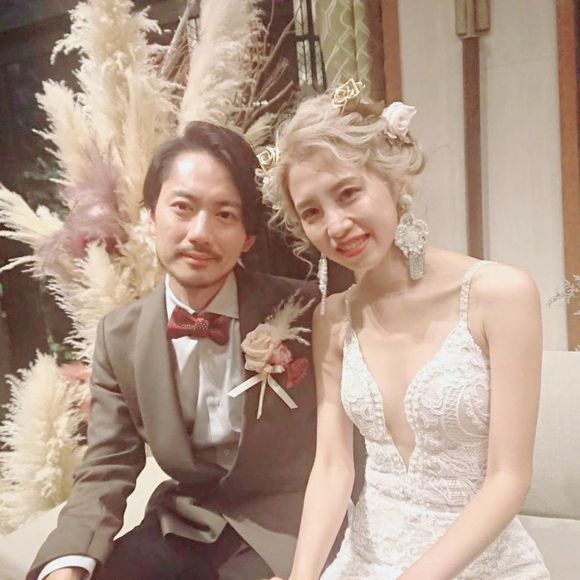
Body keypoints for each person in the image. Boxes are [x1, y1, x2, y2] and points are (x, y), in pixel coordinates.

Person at [261, 81, 550, 579]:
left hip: (480, 564)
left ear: (395, 182)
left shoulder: (501, 295)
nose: (336, 225)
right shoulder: (332, 319)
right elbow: (332, 467)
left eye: (348, 193)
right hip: (366, 560)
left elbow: (509, 479)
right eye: (312, 212)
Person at [30, 121, 319, 580]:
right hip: (185, 522)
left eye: (225, 214)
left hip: (285, 526)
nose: (200, 233)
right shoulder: (119, 337)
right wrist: (66, 562)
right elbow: (107, 466)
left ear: (247, 237)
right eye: (182, 207)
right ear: (151, 217)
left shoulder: (305, 310)